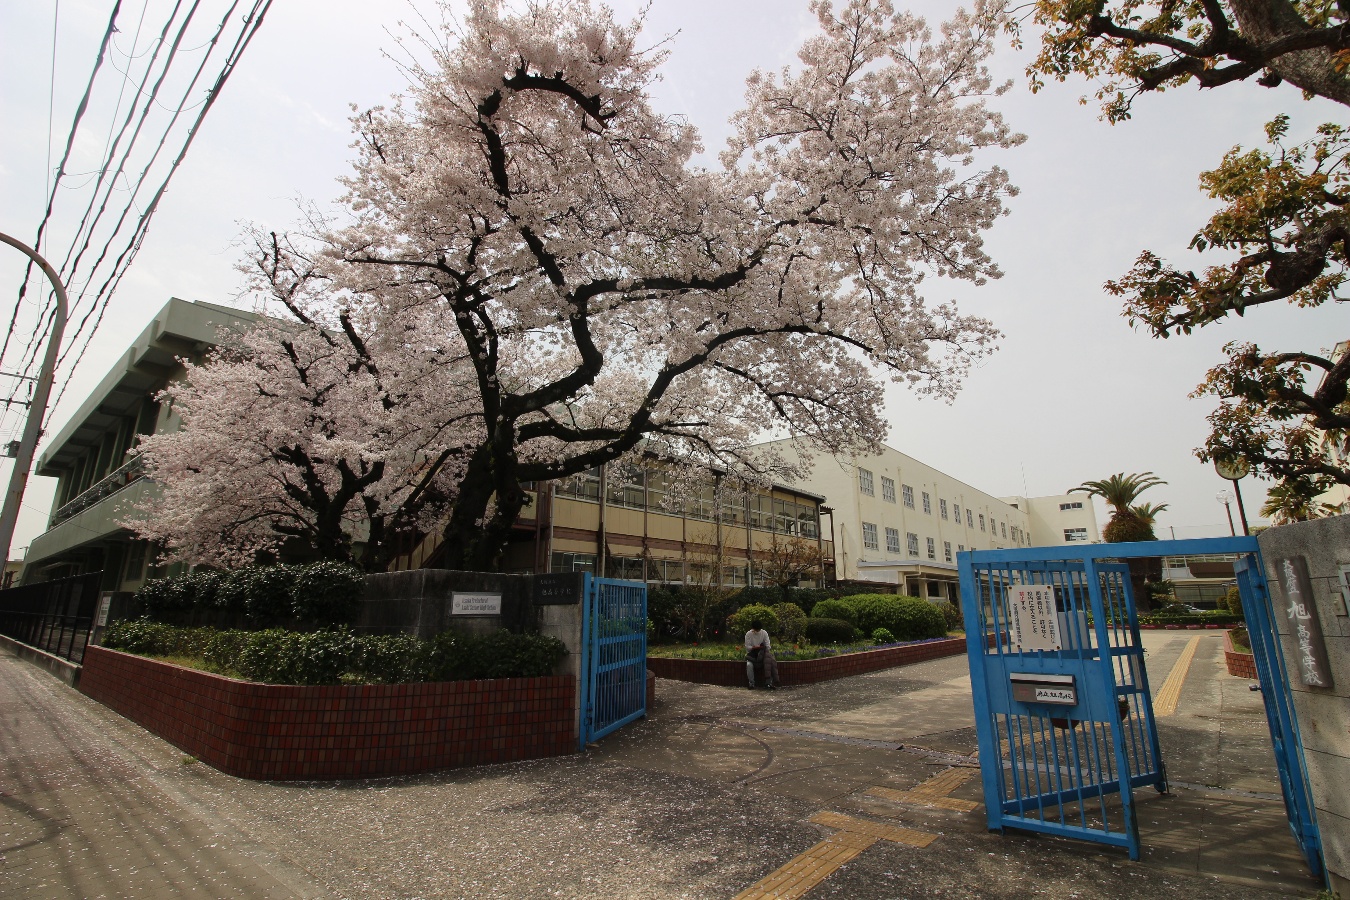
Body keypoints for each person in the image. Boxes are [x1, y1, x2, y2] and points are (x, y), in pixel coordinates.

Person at [744, 620, 777, 690]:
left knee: (770, 662)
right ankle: (751, 683)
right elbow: (747, 647)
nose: (757, 631)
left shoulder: (764, 633)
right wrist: (754, 647)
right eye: (755, 630)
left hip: (762, 654)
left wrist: (761, 648)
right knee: (749, 665)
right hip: (752, 655)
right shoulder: (748, 634)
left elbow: (768, 646)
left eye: (758, 630)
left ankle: (768, 683)